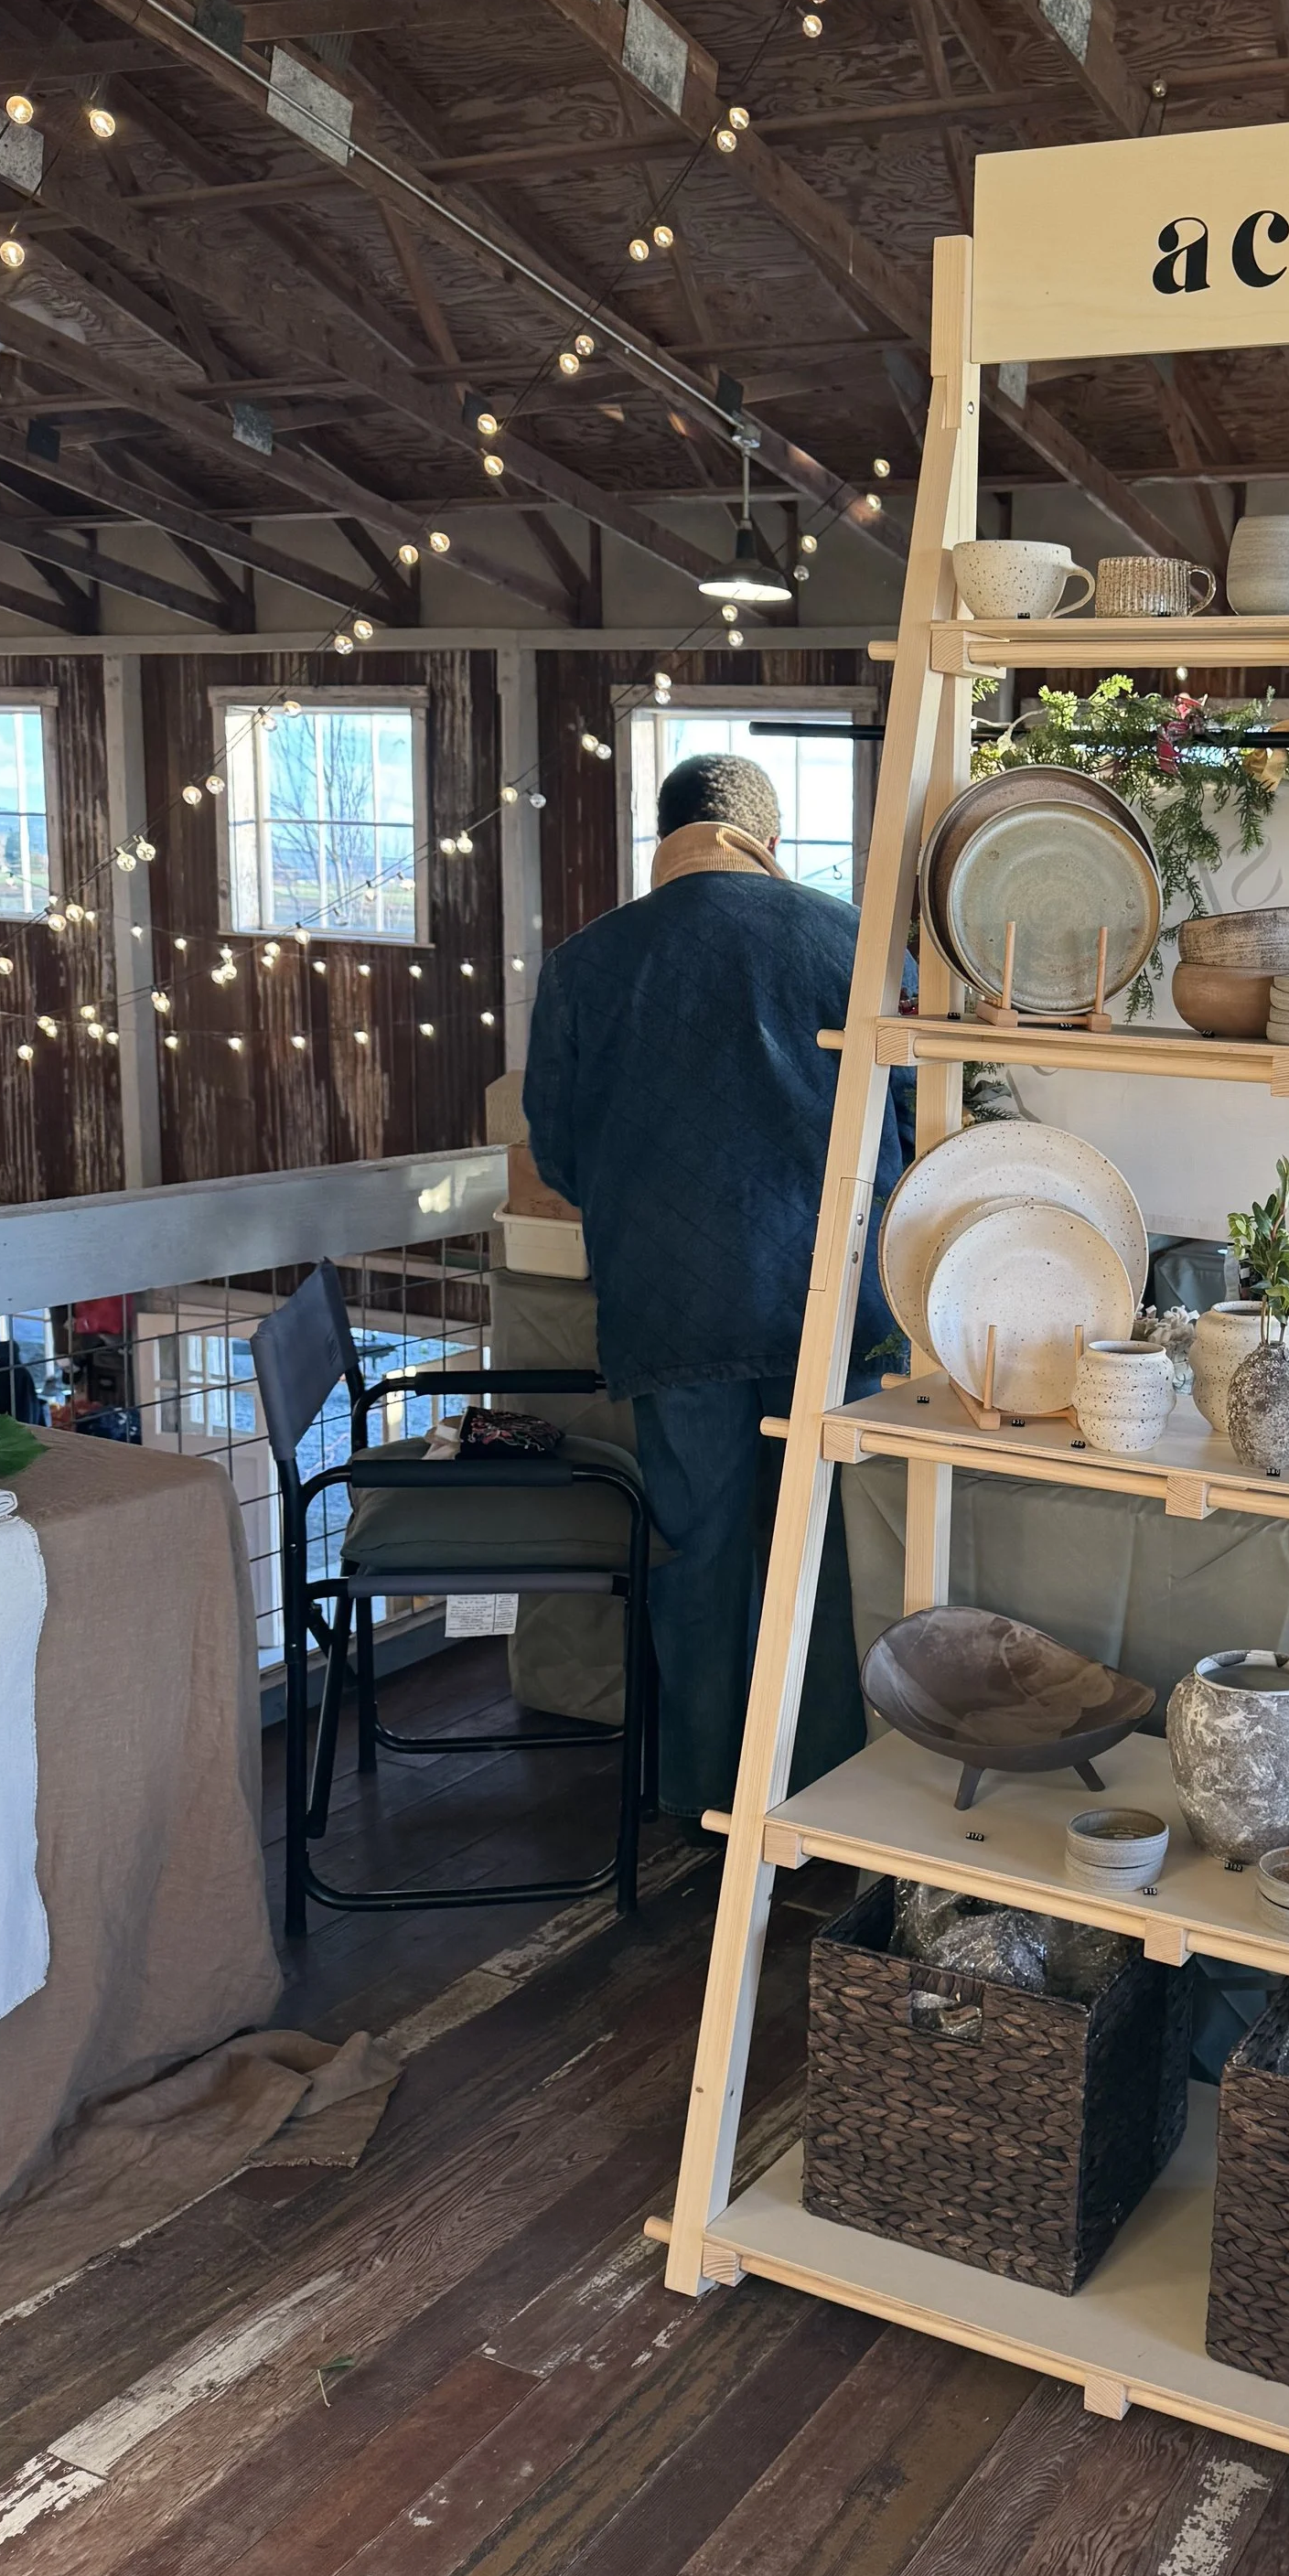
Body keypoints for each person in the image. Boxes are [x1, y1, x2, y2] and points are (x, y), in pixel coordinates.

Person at [523, 750, 907, 1820]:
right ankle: (821, 1791)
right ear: (767, 838)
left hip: (668, 1298)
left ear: (666, 833)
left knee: (694, 1552)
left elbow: (554, 1151)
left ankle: (702, 1799)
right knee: (818, 1554)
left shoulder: (586, 963)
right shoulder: (847, 943)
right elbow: (915, 1125)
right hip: (825, 1302)